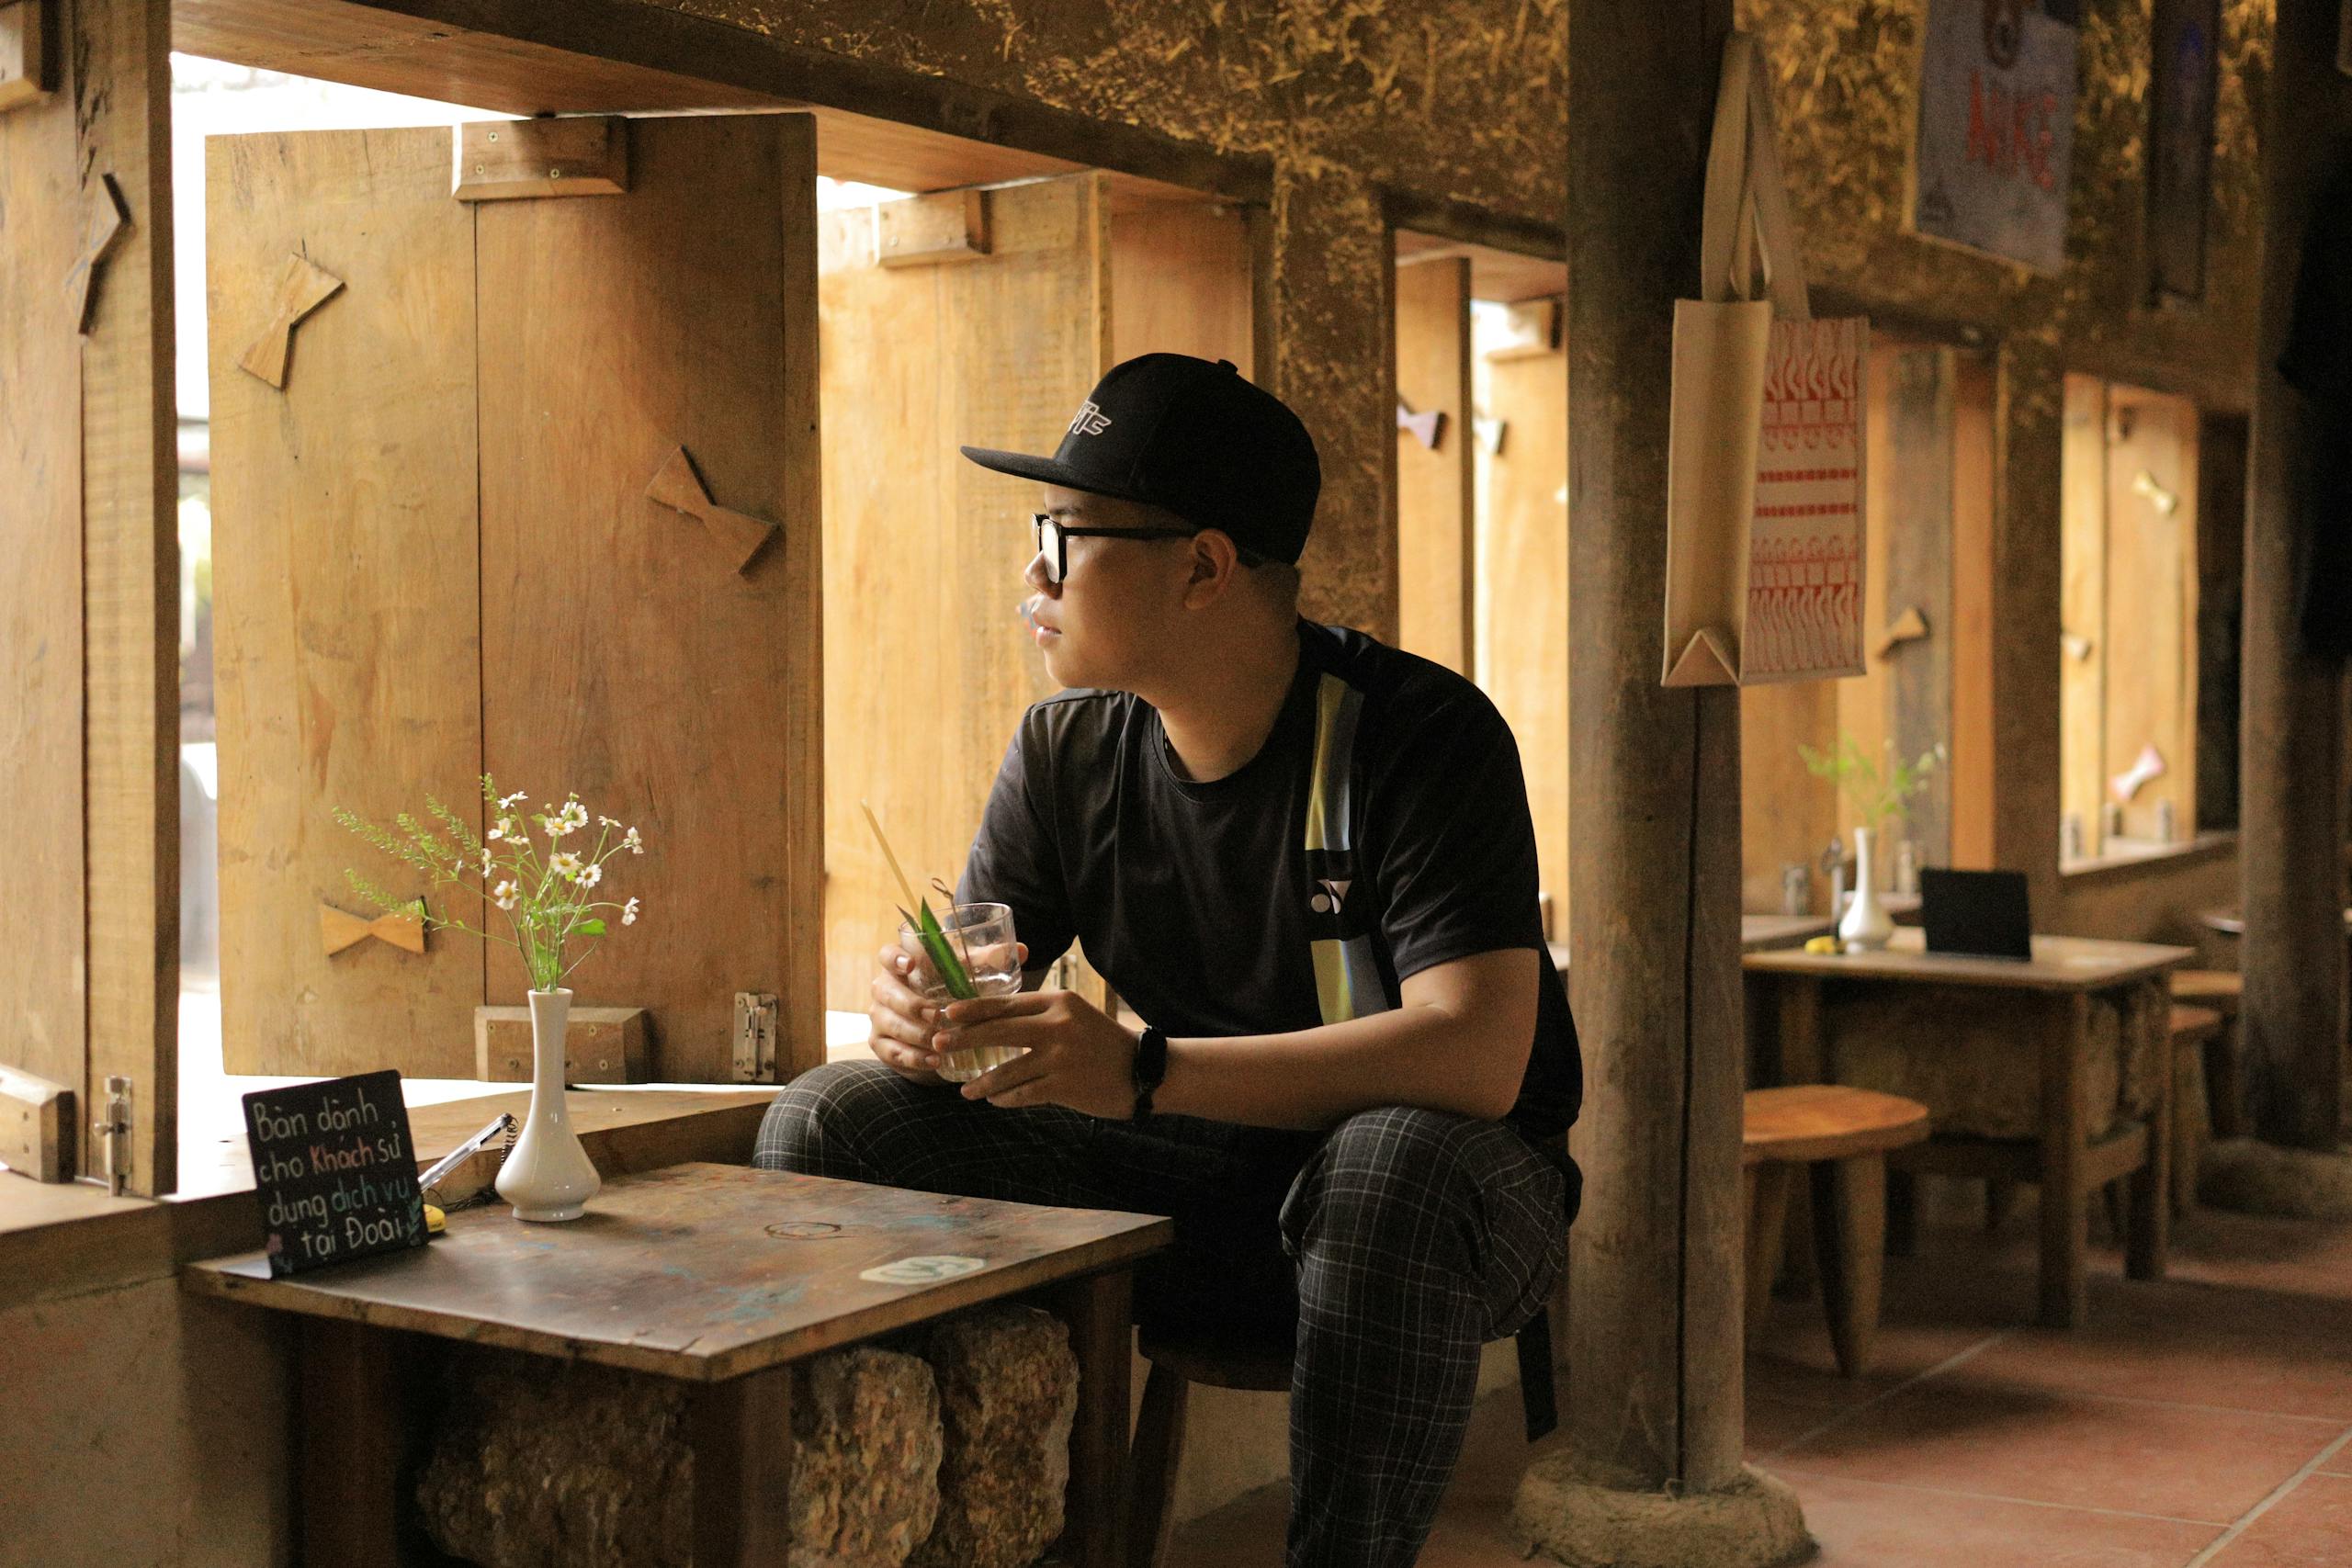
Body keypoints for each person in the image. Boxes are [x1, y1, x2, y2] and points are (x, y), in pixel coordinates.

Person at [755, 353, 1580, 1567]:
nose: (1032, 573)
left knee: (1390, 1159)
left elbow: (1481, 1055)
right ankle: (965, 1539)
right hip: (1195, 1184)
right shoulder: (1065, 749)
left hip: (1448, 1204)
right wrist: (917, 1015)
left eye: (1067, 534)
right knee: (837, 1117)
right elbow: (983, 975)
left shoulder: (1418, 735)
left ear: (1202, 566)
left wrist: (1146, 1071)